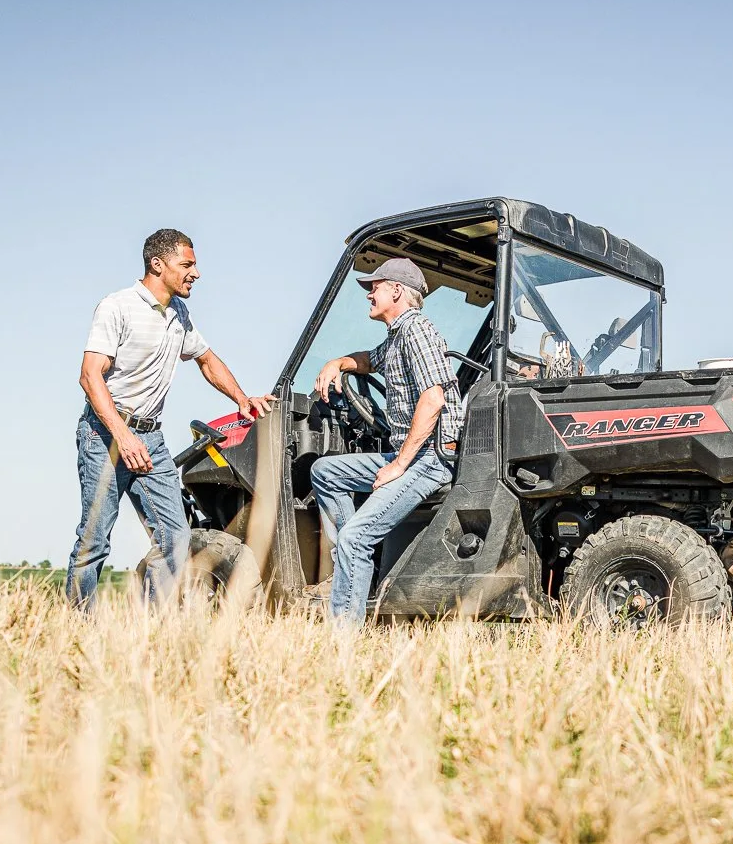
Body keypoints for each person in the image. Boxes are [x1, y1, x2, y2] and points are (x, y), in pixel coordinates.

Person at [69, 228, 273, 604]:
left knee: (175, 538)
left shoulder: (179, 313)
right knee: (94, 538)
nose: (196, 273)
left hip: (151, 438)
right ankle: (77, 620)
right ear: (157, 264)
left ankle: (153, 625)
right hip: (104, 434)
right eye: (187, 264)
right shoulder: (117, 307)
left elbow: (207, 360)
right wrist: (123, 436)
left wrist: (242, 399)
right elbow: (89, 375)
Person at [307, 257, 465, 625]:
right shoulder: (397, 337)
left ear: (396, 290)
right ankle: (358, 557)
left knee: (354, 540)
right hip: (409, 454)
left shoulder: (417, 331)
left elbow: (434, 399)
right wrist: (339, 363)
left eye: (374, 288)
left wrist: (398, 464)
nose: (368, 295)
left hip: (429, 459)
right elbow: (370, 361)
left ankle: (343, 638)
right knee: (325, 473)